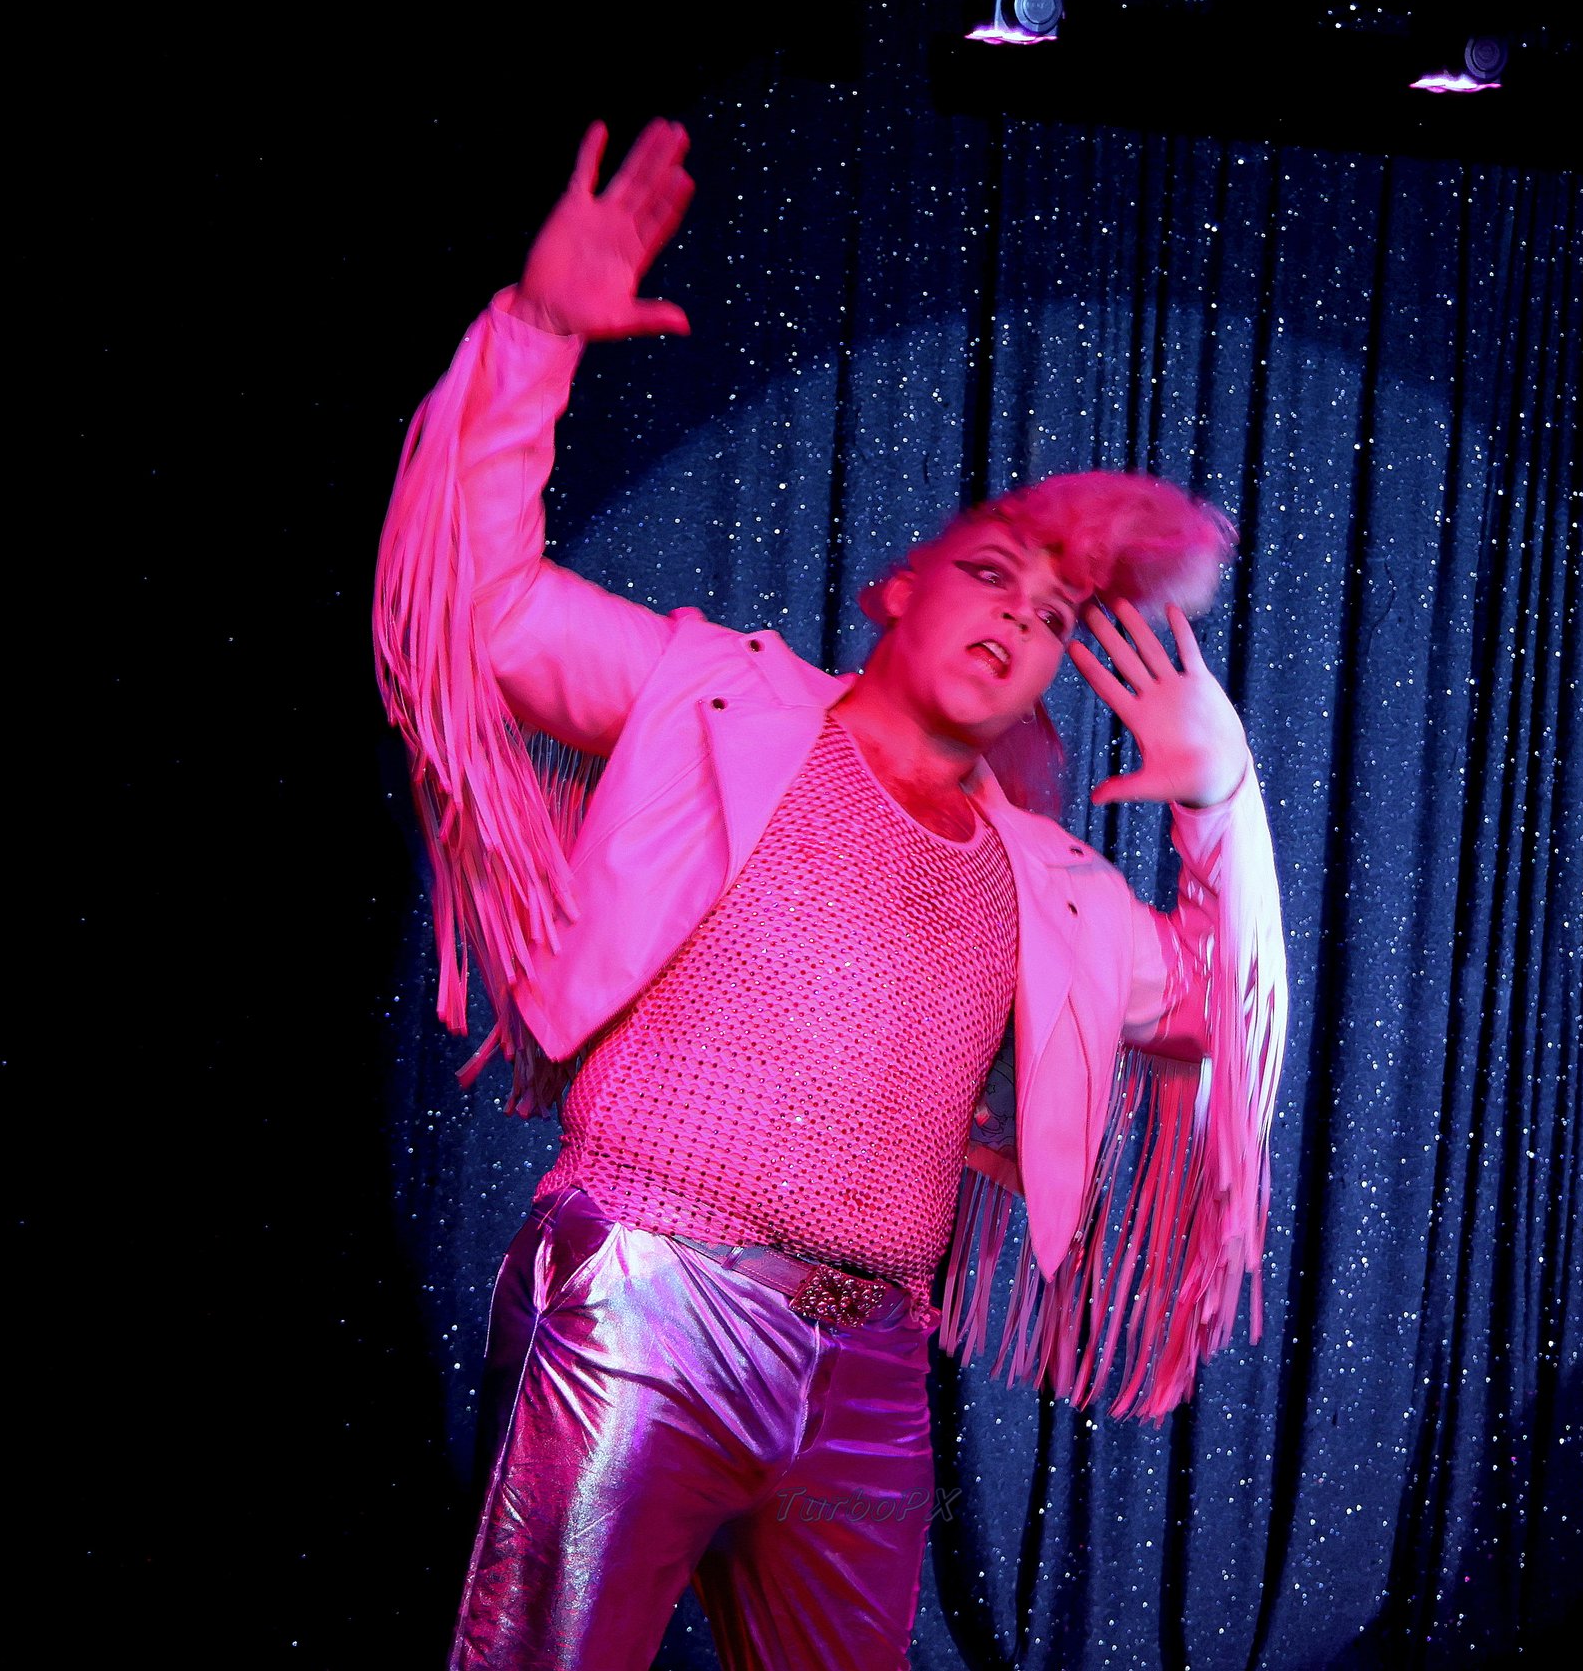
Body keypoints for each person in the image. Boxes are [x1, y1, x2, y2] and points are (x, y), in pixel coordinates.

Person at [375, 119, 1288, 1671]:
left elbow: (1228, 1017)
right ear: (900, 590)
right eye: (992, 574)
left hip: (867, 1376)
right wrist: (533, 335)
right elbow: (485, 609)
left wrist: (1224, 801)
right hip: (647, 1302)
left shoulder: (1048, 886)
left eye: (1055, 615)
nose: (1020, 619)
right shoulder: (711, 696)